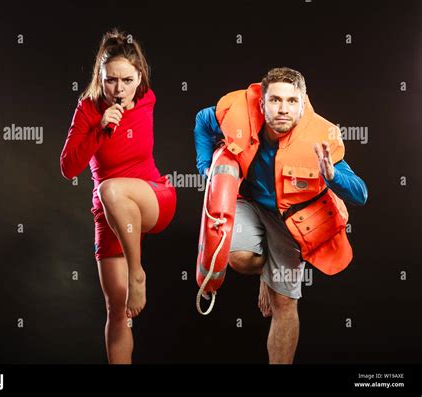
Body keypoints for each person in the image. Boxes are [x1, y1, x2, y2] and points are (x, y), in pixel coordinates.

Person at [194, 67, 368, 364]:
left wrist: (331, 176)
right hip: (248, 200)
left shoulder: (319, 138)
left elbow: (361, 194)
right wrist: (205, 167)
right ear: (262, 103)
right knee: (238, 257)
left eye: (291, 101)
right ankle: (267, 271)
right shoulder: (237, 111)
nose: (283, 109)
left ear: (303, 103)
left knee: (284, 302)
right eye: (275, 100)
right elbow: (202, 120)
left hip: (290, 217)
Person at [60, 29, 176, 364]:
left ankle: (137, 272)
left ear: (139, 77)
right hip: (110, 214)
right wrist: (98, 127)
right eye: (111, 80)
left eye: (127, 80)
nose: (119, 89)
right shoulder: (87, 109)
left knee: (109, 186)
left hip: (152, 198)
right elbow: (68, 168)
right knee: (118, 309)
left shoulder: (146, 98)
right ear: (100, 75)